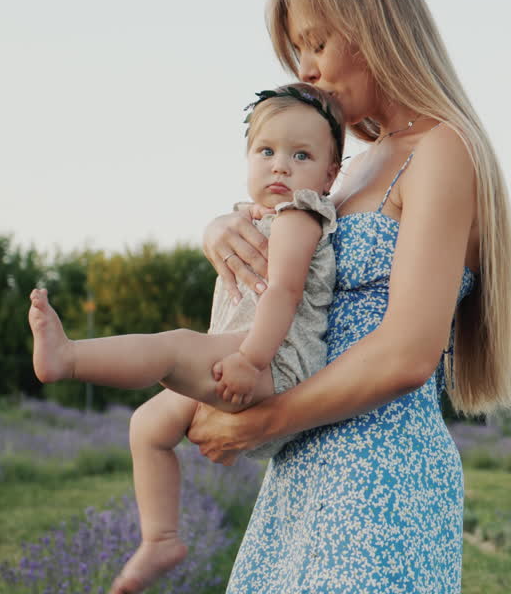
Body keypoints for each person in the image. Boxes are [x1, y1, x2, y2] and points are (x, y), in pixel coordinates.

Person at [187, 0, 511, 592]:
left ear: (375, 29)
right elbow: (287, 267)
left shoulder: (440, 148)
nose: (305, 71)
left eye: (316, 44)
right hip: (301, 476)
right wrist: (220, 230)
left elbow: (406, 353)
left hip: (379, 482)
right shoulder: (353, 169)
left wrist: (259, 423)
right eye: (295, 54)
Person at [26, 83, 346, 593]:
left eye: (301, 155)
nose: (280, 166)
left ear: (330, 174)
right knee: (147, 426)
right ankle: (161, 538)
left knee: (173, 347)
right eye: (267, 151)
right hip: (245, 355)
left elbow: (284, 291)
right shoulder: (253, 218)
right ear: (247, 159)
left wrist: (251, 358)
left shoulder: (299, 217)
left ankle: (68, 358)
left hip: (275, 363)